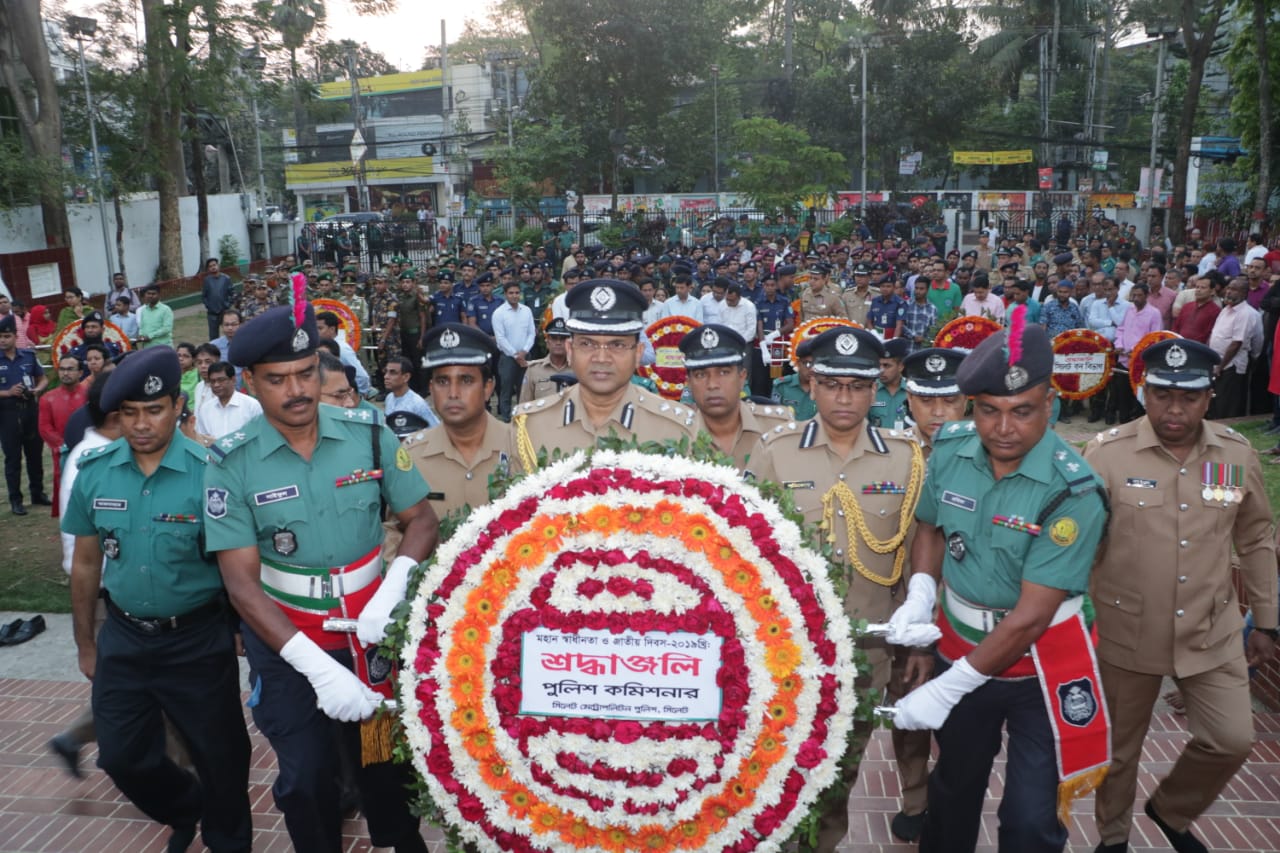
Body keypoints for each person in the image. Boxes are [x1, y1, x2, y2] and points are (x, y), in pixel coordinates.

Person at [204, 304, 438, 853]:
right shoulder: (231, 463)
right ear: (250, 382)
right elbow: (242, 585)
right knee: (306, 779)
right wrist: (316, 668)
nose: (296, 390)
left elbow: (421, 520)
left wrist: (394, 586)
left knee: (388, 771)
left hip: (372, 635)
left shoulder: (368, 433)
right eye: (277, 380)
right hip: (288, 641)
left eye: (306, 373)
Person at [889, 319, 1110, 853]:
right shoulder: (951, 449)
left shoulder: (1075, 491)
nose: (1003, 428)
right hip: (961, 639)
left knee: (1031, 820)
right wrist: (922, 594)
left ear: (1050, 405)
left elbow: (1030, 618)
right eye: (988, 410)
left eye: (1022, 411)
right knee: (953, 791)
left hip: (1043, 664)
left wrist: (949, 688)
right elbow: (930, 526)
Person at [1084, 338, 1278, 853]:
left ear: (1209, 397)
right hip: (1126, 630)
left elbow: (1256, 538)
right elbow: (1080, 542)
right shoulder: (1107, 453)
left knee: (1231, 739)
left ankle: (1172, 809)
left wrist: (1266, 620)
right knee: (1118, 751)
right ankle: (1113, 837)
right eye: (1162, 395)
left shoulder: (1235, 454)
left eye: (1189, 397)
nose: (1175, 409)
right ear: (1143, 392)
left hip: (1210, 630)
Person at [63, 347, 252, 852]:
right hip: (124, 637)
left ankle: (228, 840)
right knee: (120, 756)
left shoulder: (211, 472)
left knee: (221, 758)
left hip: (196, 638)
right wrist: (86, 644)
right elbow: (86, 564)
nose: (141, 424)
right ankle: (185, 809)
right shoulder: (96, 471)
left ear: (178, 406)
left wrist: (240, 628)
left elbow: (236, 563)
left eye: (154, 410)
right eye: (129, 413)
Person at [745, 326, 925, 852]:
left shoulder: (906, 457)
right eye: (831, 385)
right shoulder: (776, 451)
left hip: (867, 649)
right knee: (775, 765)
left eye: (857, 386)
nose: (844, 398)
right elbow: (749, 547)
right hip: (788, 649)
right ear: (811, 384)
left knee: (840, 770)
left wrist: (913, 638)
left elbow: (918, 554)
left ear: (875, 390)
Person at [887, 345, 969, 841]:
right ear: (909, 401)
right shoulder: (890, 454)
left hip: (964, 608)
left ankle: (952, 793)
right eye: (926, 400)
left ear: (967, 401)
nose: (938, 411)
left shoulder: (987, 453)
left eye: (950, 400)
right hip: (904, 603)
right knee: (909, 706)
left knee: (965, 717)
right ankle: (915, 797)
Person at [512, 280, 696, 467]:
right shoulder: (530, 427)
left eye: (617, 345)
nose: (601, 358)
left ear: (638, 353)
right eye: (587, 344)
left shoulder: (676, 428)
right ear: (570, 350)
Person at [400, 324, 517, 519]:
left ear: (488, 388)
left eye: (466, 380)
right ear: (431, 388)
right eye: (443, 381)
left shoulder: (520, 447)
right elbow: (397, 527)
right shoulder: (412, 455)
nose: (453, 393)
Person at [679, 324, 790, 471]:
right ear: (689, 383)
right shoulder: (675, 435)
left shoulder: (779, 428)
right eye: (701, 375)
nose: (712, 385)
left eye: (724, 372)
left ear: (742, 377)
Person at [0, 314, 48, 515]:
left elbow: (43, 378)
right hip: (7, 413)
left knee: (35, 455)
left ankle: (38, 493)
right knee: (12, 458)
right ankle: (16, 500)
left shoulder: (28, 356)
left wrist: (37, 390)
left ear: (15, 336)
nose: (3, 340)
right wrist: (8, 392)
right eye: (0, 337)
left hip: (30, 410)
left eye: (7, 336)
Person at [38, 355, 87, 516]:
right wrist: (62, 445)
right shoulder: (48, 398)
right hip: (62, 451)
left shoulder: (90, 395)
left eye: (70, 369)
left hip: (88, 450)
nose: (65, 373)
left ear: (80, 372)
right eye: (62, 369)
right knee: (64, 483)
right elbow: (44, 427)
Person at [1207, 280, 1254, 419]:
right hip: (1217, 363)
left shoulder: (1244, 313)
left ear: (1244, 293)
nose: (1228, 292)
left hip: (1230, 365)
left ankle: (1226, 428)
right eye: (1228, 288)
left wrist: (1220, 366)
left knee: (1226, 403)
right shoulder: (1225, 310)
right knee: (1214, 401)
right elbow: (1215, 334)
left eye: (1234, 289)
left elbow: (1236, 343)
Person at [492, 280, 536, 421]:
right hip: (508, 358)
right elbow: (500, 338)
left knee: (525, 389)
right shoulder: (499, 313)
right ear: (505, 294)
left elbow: (531, 333)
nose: (514, 296)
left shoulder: (526, 311)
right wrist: (515, 355)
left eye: (517, 293)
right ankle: (506, 419)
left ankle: (522, 417)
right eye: (511, 293)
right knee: (506, 389)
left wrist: (524, 351)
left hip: (525, 355)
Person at [195, 361, 263, 441]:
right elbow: (202, 438)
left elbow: (260, 435)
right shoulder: (205, 409)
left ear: (233, 380)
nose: (216, 385)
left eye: (221, 380)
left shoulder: (251, 405)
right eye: (212, 381)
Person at [315, 311, 371, 396]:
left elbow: (362, 377)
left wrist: (357, 396)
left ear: (332, 329)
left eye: (320, 328)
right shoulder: (321, 346)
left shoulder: (342, 349)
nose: (316, 332)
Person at [520, 318, 573, 402]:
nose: (558, 342)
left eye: (563, 339)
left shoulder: (577, 370)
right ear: (547, 343)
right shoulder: (534, 370)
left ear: (569, 344)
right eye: (554, 338)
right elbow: (524, 404)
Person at [382, 356, 438, 427]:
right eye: (386, 372)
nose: (386, 376)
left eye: (392, 373)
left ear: (406, 377)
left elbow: (435, 427)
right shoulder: (389, 398)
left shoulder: (417, 404)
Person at [870, 338, 910, 430]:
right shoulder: (871, 390)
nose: (881, 370)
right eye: (879, 365)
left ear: (900, 367)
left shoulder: (911, 392)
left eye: (886, 366)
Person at [201, 258, 235, 341]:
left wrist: (227, 304)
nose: (213, 267)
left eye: (214, 265)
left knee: (229, 332)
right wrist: (209, 306)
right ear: (208, 269)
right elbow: (204, 296)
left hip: (225, 311)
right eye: (210, 266)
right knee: (213, 337)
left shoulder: (226, 278)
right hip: (212, 313)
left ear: (218, 265)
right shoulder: (207, 280)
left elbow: (232, 293)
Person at [137, 285, 175, 349]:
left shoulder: (166, 309)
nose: (150, 296)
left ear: (159, 295)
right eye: (148, 293)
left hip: (163, 346)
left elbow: (166, 329)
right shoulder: (144, 310)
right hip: (147, 347)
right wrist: (141, 335)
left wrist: (150, 336)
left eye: (153, 294)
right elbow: (142, 326)